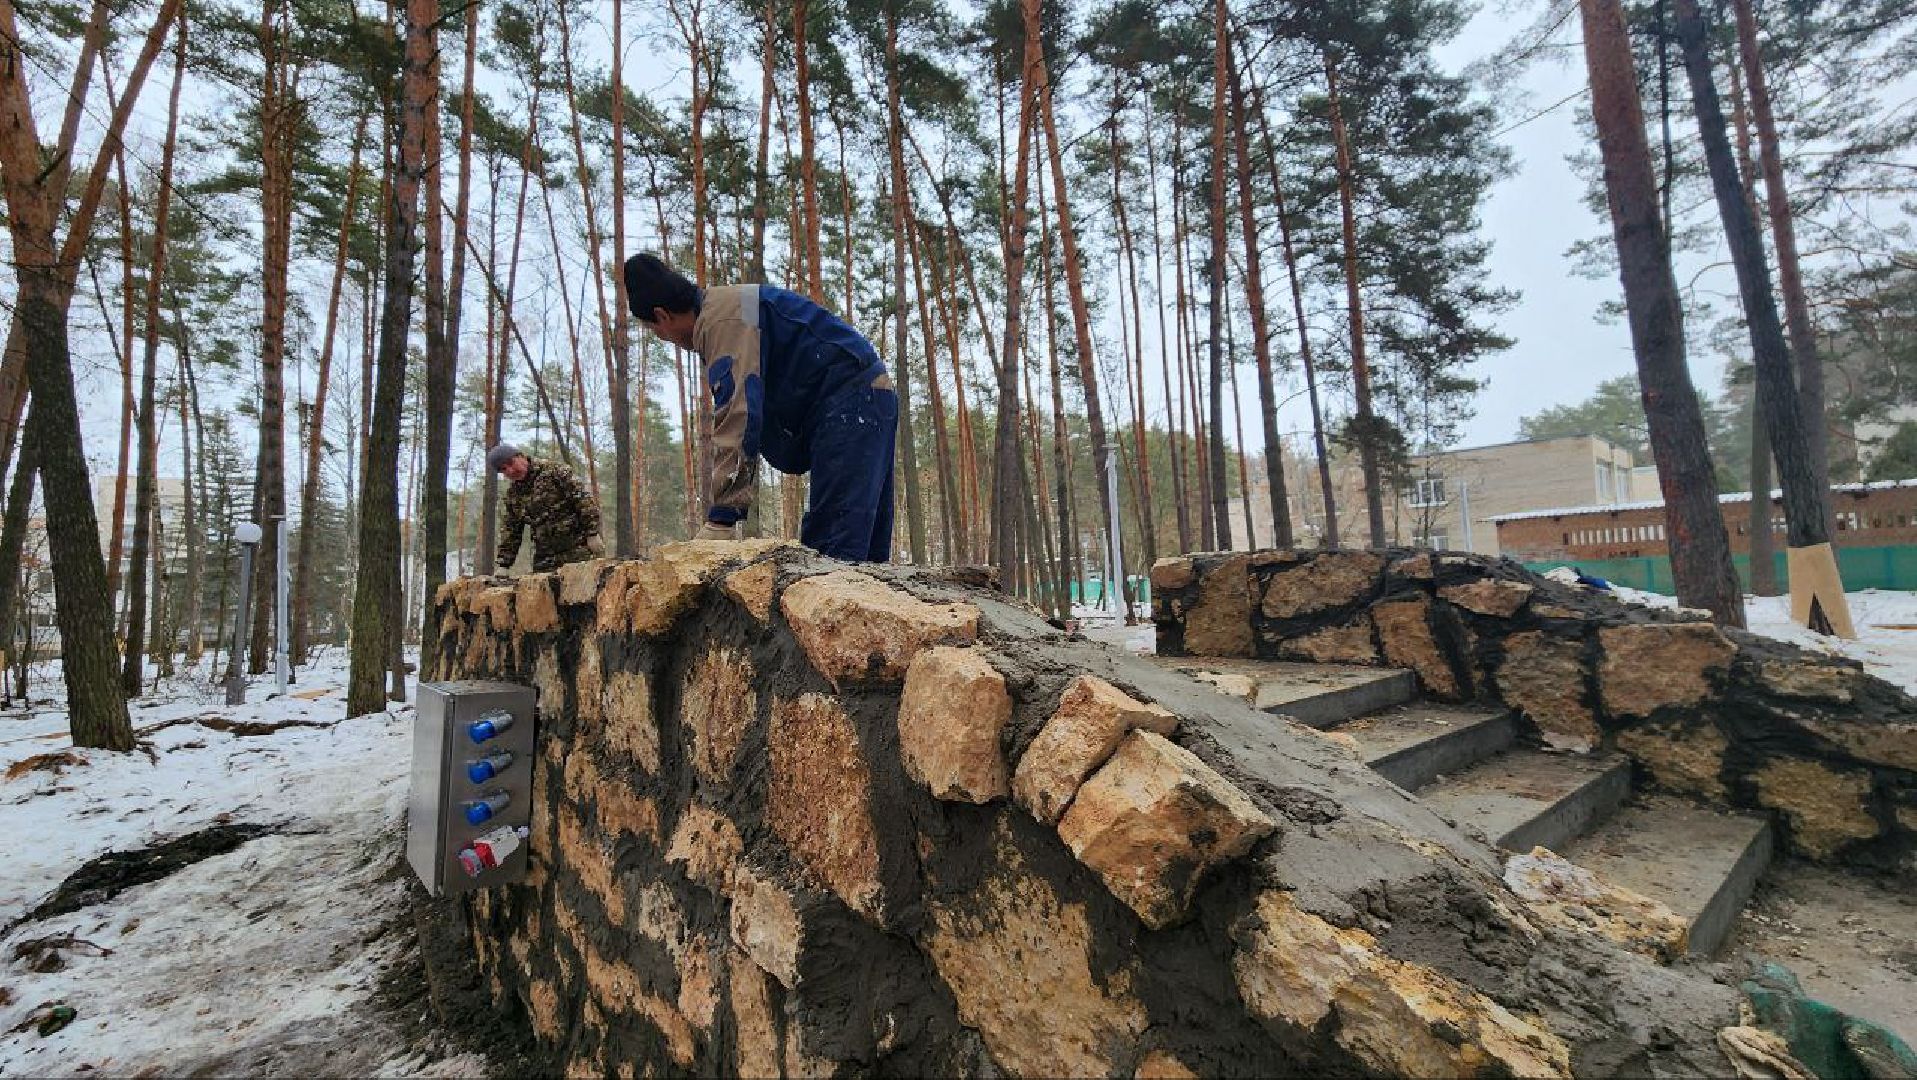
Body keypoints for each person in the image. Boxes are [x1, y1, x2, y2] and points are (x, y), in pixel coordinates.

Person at [622, 253, 896, 563]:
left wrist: (722, 517)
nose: (665, 339)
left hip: (851, 398)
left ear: (662, 316)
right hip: (869, 396)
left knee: (836, 549)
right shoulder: (726, 308)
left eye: (657, 332)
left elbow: (738, 412)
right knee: (864, 551)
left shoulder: (722, 319)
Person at [488, 442, 603, 572]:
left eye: (510, 463)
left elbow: (583, 500)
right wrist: (504, 563)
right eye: (503, 469)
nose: (510, 470)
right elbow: (511, 530)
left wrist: (592, 533)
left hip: (578, 548)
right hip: (545, 558)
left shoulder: (555, 471)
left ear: (521, 456)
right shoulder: (513, 495)